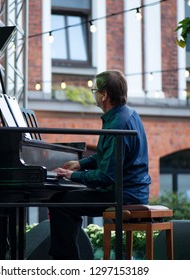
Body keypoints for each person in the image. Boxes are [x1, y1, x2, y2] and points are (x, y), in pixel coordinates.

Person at [48, 70, 151, 259]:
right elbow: (109, 156)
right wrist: (80, 164)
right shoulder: (128, 115)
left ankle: (65, 266)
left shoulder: (116, 124)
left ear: (104, 95)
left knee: (59, 203)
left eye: (94, 90)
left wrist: (72, 176)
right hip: (132, 189)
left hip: (122, 194)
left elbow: (106, 176)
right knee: (65, 202)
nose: (93, 94)